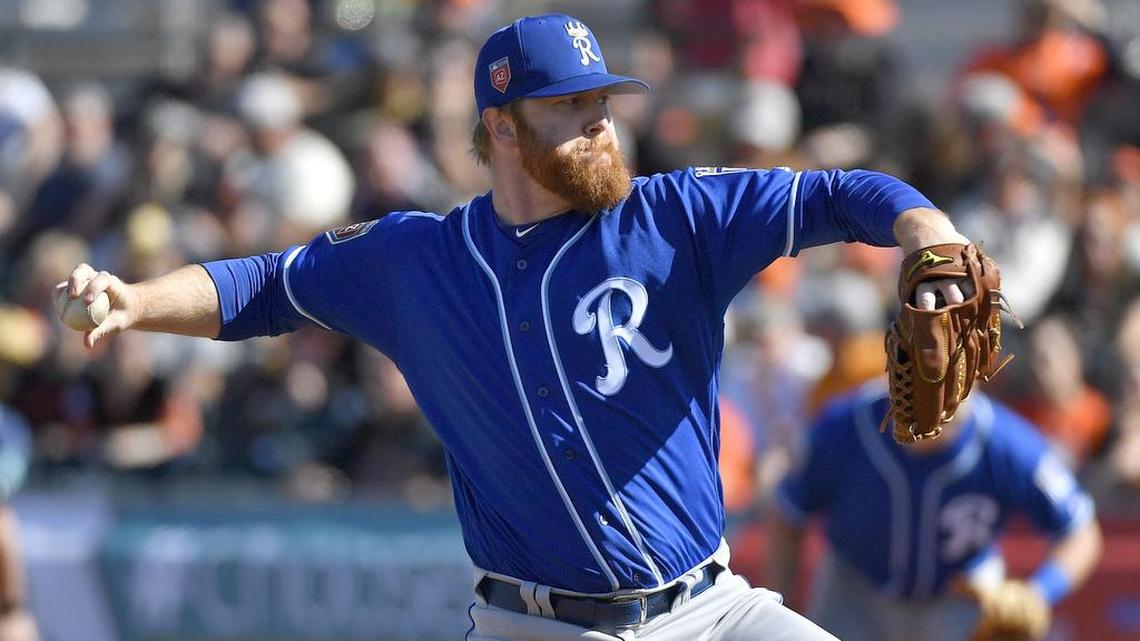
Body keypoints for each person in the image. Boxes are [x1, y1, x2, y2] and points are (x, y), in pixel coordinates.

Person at [61, 13, 981, 641]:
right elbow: (260, 286)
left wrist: (928, 237)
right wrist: (136, 301)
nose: (600, 125)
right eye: (569, 108)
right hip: (536, 623)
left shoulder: (672, 219)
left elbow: (836, 193)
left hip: (712, 611)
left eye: (603, 104)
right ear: (502, 126)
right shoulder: (416, 259)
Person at [767, 382, 1103, 641]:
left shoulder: (1007, 442)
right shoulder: (843, 426)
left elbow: (1081, 532)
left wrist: (1039, 591)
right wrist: (783, 606)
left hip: (958, 593)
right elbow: (788, 513)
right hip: (855, 589)